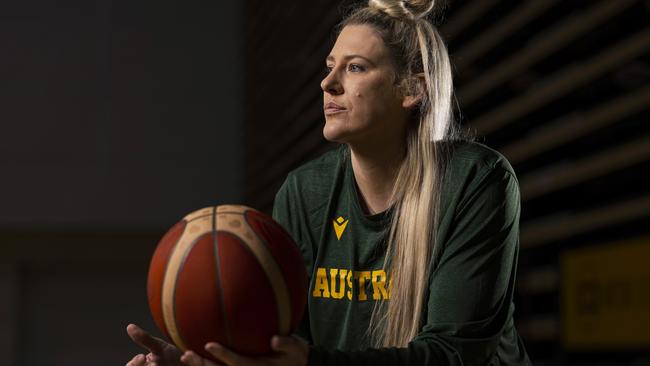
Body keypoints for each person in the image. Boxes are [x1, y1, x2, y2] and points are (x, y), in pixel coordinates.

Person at [126, 0, 532, 365]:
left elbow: (455, 355)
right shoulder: (305, 193)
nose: (328, 83)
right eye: (329, 67)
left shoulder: (477, 181)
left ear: (412, 89)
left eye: (355, 67)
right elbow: (282, 349)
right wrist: (205, 358)